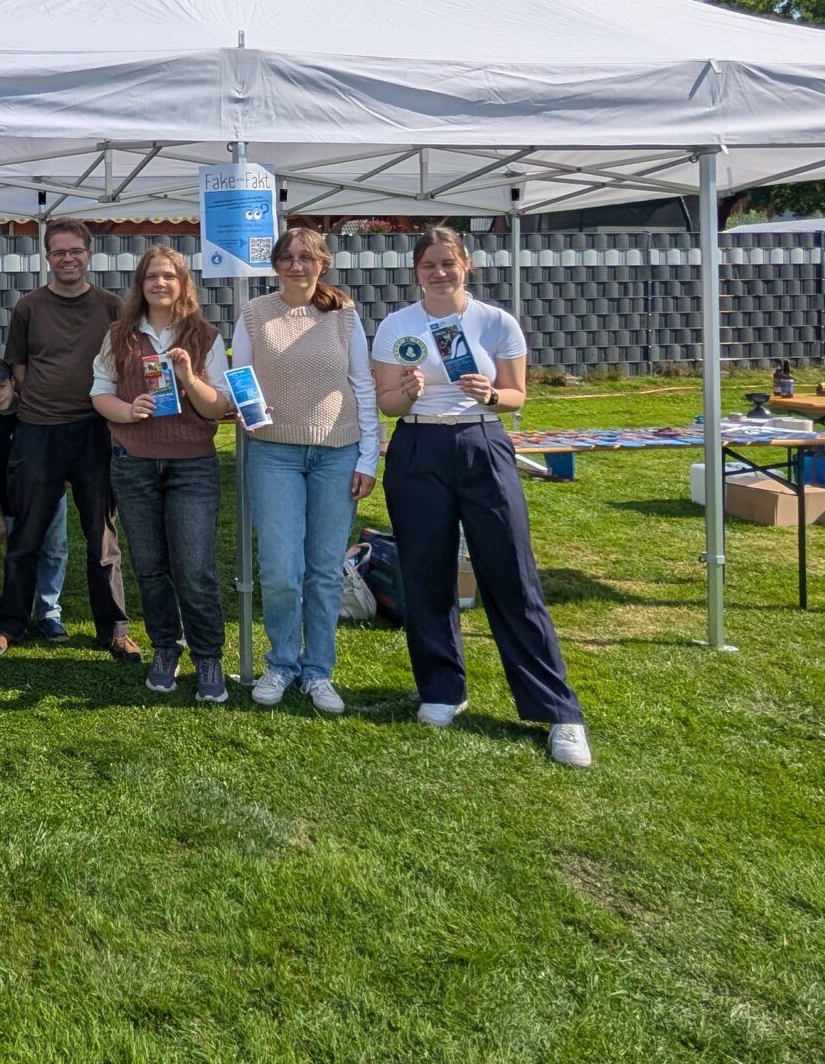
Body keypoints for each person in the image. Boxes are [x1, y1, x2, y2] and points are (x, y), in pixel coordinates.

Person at [373, 224, 591, 767]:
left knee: (511, 572)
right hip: (417, 445)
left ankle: (558, 710)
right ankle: (442, 689)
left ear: (466, 265)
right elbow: (386, 404)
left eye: (448, 263)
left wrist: (492, 394)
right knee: (425, 572)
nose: (439, 272)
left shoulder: (496, 321)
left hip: (482, 442)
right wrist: (406, 392)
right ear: (416, 271)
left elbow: (517, 395)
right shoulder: (397, 325)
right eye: (428, 265)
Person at [230, 226, 378, 715]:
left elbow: (362, 385)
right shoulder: (254, 314)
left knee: (324, 571)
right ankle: (281, 663)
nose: (297, 265)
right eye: (288, 257)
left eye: (306, 257)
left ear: (323, 263)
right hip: (273, 453)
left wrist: (368, 457)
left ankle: (318, 671)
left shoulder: (344, 314)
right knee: (280, 570)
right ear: (275, 264)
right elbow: (241, 379)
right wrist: (246, 409)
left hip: (337, 452)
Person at [0, 218, 131, 660]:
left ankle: (114, 629)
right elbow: (19, 367)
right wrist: (40, 407)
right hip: (39, 432)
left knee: (101, 537)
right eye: (59, 252)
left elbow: (125, 365)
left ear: (89, 254)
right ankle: (9, 625)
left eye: (75, 251)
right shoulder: (28, 307)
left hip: (94, 430)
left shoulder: (111, 307)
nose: (68, 259)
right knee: (26, 536)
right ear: (47, 257)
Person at [92, 245, 233, 701]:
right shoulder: (119, 335)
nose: (160, 283)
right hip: (134, 462)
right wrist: (128, 411)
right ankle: (166, 648)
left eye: (169, 276)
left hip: (191, 465)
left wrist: (189, 377)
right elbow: (99, 392)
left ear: (183, 283)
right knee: (150, 567)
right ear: (141, 284)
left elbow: (219, 407)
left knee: (194, 568)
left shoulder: (205, 335)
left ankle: (207, 656)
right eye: (152, 276)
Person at [0, 356, 70, 640]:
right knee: (18, 557)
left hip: (51, 497)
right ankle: (17, 616)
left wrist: (63, 475)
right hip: (12, 503)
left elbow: (57, 444)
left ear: (13, 382)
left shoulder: (35, 412)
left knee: (54, 551)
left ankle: (49, 612)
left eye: (1, 387)